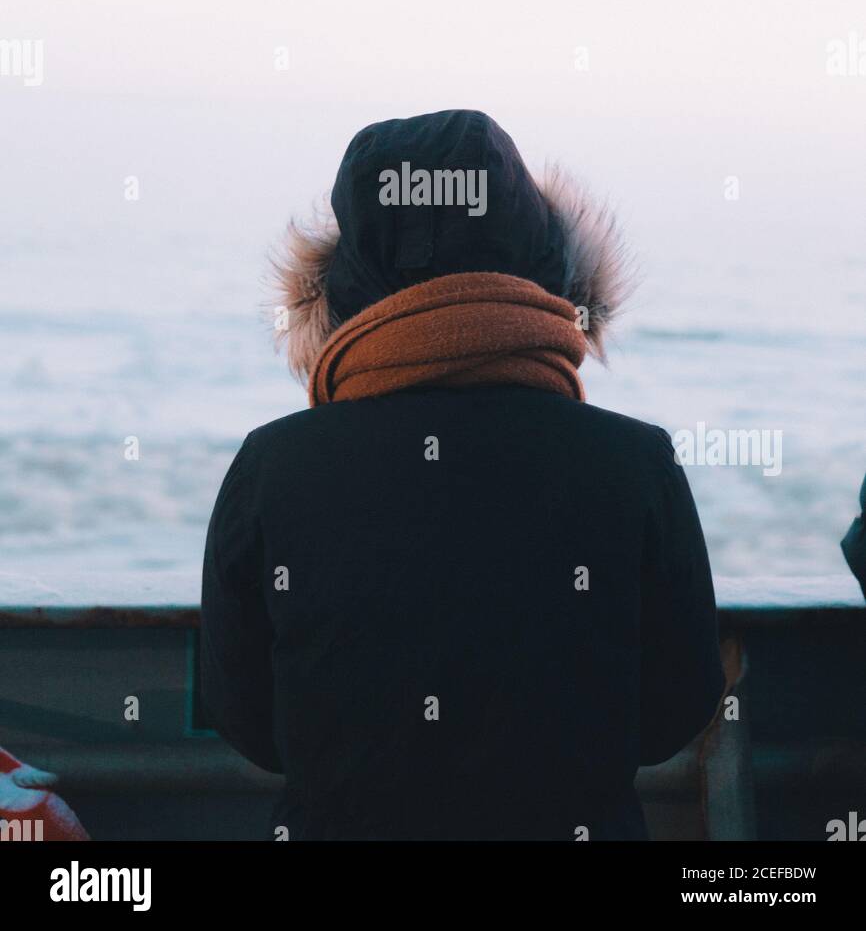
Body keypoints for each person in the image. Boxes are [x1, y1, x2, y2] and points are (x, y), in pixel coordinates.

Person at [200, 109, 725, 840]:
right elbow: (675, 711)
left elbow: (248, 723)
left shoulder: (270, 466)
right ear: (552, 263)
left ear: (338, 283)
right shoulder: (636, 462)